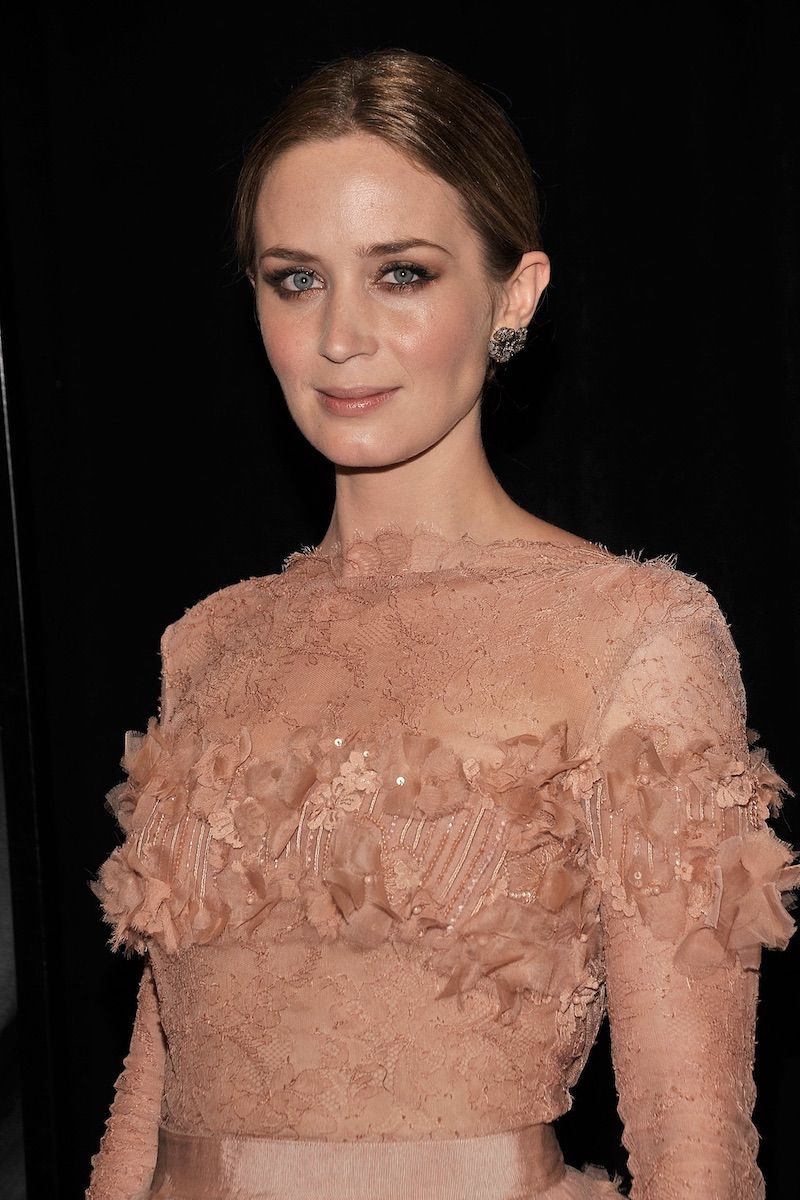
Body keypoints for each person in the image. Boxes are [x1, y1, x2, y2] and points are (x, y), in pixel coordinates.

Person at [85, 48, 799, 1200]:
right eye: (295, 279)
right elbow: (151, 1094)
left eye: (401, 274)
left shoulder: (634, 635)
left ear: (514, 294)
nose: (339, 335)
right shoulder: (208, 644)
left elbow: (693, 1145)